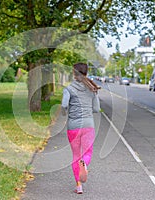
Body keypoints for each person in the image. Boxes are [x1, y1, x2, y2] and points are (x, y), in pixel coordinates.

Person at [61, 63, 100, 194]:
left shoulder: (69, 89)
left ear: (74, 73)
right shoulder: (92, 89)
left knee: (75, 155)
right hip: (88, 126)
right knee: (87, 153)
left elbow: (64, 105)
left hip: (73, 127)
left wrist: (64, 112)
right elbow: (96, 109)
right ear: (86, 73)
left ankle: (79, 186)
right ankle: (85, 163)